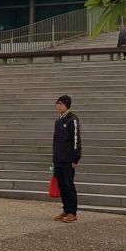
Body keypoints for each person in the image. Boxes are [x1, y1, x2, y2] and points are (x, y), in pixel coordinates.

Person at [52, 95, 82, 223]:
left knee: (69, 185)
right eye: (57, 103)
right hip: (59, 160)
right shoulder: (58, 121)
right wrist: (54, 158)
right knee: (62, 185)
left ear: (66, 105)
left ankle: (72, 212)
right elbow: (55, 141)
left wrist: (75, 159)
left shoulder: (72, 119)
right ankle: (65, 209)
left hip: (68, 160)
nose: (58, 106)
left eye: (60, 104)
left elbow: (76, 140)